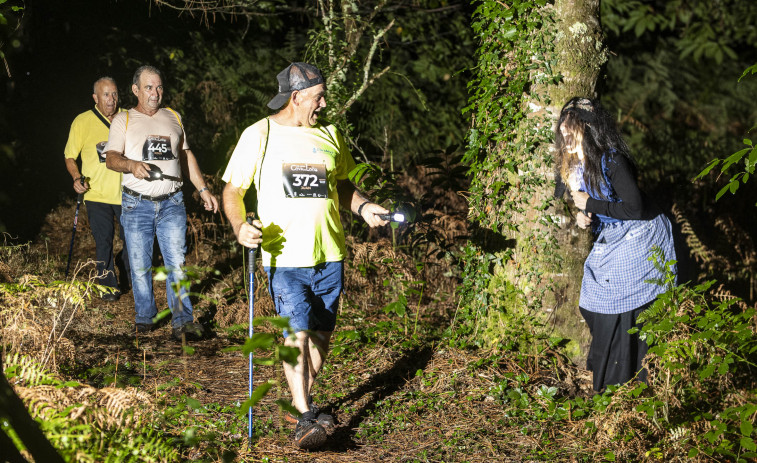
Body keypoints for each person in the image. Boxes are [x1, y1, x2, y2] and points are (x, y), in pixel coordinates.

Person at [222, 62, 390, 450]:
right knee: (296, 334)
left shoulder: (330, 134)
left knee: (319, 339)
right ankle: (303, 416)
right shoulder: (260, 134)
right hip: (284, 257)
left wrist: (364, 208)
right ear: (295, 98)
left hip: (330, 253)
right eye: (318, 96)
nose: (324, 103)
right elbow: (233, 190)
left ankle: (301, 403)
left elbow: (343, 186)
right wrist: (238, 226)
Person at [554, 97, 677, 392]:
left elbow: (634, 208)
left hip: (641, 233)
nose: (565, 138)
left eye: (572, 132)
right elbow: (591, 205)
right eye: (562, 132)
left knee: (619, 308)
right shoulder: (571, 166)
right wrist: (586, 216)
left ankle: (624, 378)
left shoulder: (611, 160)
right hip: (613, 235)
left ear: (589, 130)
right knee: (592, 303)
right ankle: (616, 373)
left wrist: (591, 203)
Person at [104, 65, 219, 340]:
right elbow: (111, 159)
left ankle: (182, 320)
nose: (155, 93)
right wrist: (131, 165)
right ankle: (145, 318)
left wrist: (202, 189)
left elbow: (186, 155)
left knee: (176, 263)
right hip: (136, 203)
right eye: (148, 87)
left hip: (172, 203)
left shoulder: (173, 116)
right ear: (135, 90)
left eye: (159, 87)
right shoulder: (124, 119)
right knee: (140, 264)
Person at [64, 77, 130, 301]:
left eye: (114, 94)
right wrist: (76, 177)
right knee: (104, 240)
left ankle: (129, 275)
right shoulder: (82, 121)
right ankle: (108, 287)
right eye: (105, 95)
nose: (111, 100)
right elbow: (70, 156)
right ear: (95, 98)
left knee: (131, 239)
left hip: (127, 192)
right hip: (96, 193)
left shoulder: (129, 117)